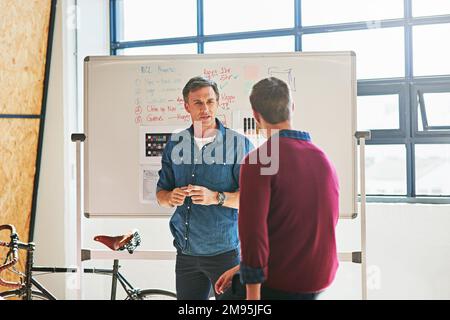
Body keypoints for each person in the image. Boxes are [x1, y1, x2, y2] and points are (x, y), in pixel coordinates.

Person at [215, 77, 339, 300]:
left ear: (256, 116)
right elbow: (305, 228)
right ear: (292, 107)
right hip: (319, 279)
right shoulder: (322, 158)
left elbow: (253, 234)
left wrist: (253, 297)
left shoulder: (259, 161)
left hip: (283, 283)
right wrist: (241, 268)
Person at [156, 76, 253, 300]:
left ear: (218, 103)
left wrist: (216, 197)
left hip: (225, 254)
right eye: (198, 103)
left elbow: (252, 200)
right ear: (187, 106)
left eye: (210, 101)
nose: (205, 109)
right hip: (186, 253)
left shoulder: (239, 145)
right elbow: (161, 195)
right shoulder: (175, 144)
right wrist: (171, 196)